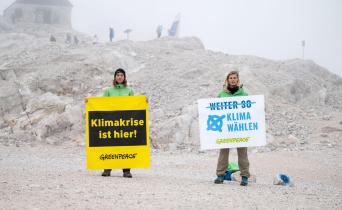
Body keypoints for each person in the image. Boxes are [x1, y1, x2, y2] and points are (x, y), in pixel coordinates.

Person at [214, 70, 250, 186]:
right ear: (227, 80)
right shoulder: (221, 94)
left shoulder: (244, 95)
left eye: (235, 78)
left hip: (240, 128)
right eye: (231, 78)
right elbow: (215, 110)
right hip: (226, 129)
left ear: (238, 80)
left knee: (242, 152)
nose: (233, 80)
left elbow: (250, 110)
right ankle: (220, 175)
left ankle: (244, 176)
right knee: (223, 152)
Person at [101, 68, 134, 178]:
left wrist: (144, 101)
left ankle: (126, 170)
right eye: (118, 75)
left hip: (125, 123)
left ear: (124, 77)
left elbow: (134, 105)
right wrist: (89, 101)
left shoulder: (129, 90)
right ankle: (107, 169)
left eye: (122, 75)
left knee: (126, 145)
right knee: (110, 144)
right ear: (115, 77)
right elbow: (101, 104)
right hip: (111, 122)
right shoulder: (108, 91)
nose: (120, 77)